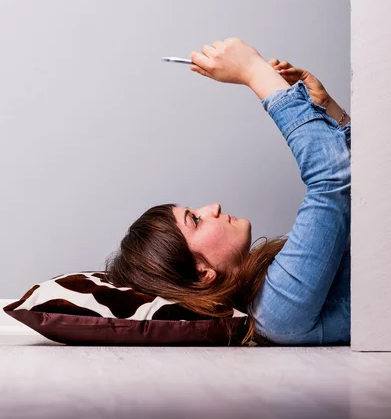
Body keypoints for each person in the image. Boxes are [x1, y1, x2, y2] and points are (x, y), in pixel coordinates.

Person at [104, 38, 351, 346]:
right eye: (195, 220)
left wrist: (327, 107)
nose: (213, 207)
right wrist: (253, 72)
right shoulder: (276, 312)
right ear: (202, 272)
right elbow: (332, 175)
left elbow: (368, 189)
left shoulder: (274, 286)